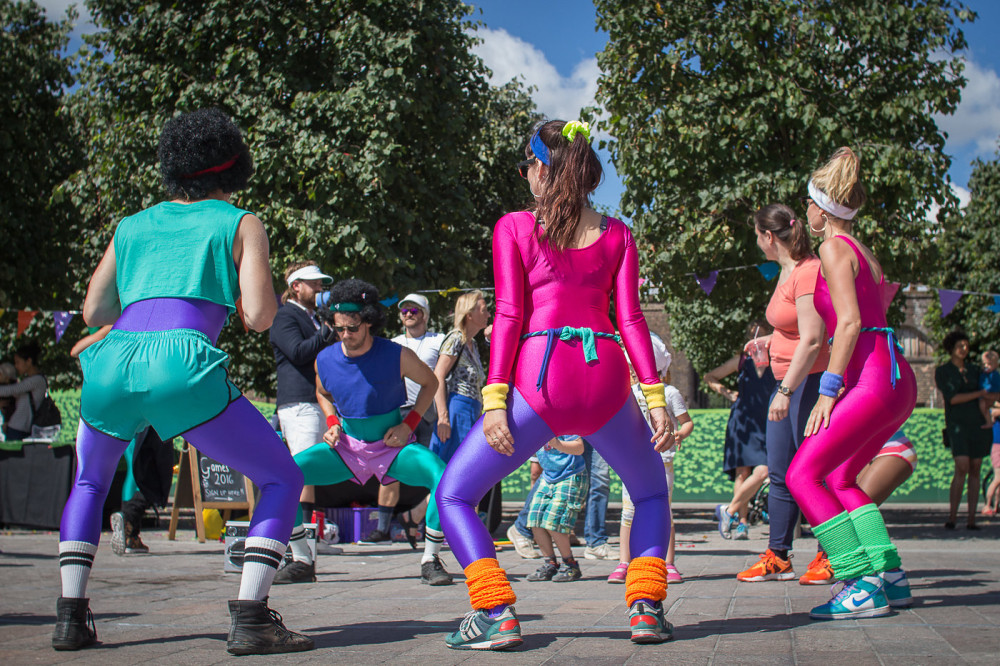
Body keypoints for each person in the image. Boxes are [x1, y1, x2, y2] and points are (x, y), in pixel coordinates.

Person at [55, 108, 312, 654]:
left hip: (110, 362)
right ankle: (251, 618)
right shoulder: (241, 221)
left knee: (89, 483)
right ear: (234, 164)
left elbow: (94, 308)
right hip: (181, 362)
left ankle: (70, 619)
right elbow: (263, 317)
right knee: (281, 479)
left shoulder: (132, 224)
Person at [436, 119, 675, 650]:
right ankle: (646, 610)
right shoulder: (617, 233)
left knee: (453, 494)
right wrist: (654, 398)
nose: (525, 174)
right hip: (606, 376)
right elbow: (632, 319)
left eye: (528, 163)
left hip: (540, 379)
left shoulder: (515, 226)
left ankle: (495, 612)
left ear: (542, 167)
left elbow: (510, 315)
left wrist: (494, 401)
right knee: (652, 491)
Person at [786, 146, 917, 620]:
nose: (805, 212)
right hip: (895, 379)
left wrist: (827, 390)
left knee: (803, 475)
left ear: (821, 209)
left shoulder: (833, 248)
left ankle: (860, 583)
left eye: (808, 204)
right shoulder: (866, 252)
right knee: (841, 477)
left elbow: (849, 324)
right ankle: (890, 575)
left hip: (874, 379)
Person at [283, 279, 453, 586]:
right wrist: (332, 422)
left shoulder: (396, 354)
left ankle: (431, 558)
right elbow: (322, 393)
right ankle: (301, 560)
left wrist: (409, 424)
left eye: (353, 328)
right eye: (339, 329)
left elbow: (431, 383)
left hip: (392, 446)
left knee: (443, 477)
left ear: (370, 321)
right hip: (347, 447)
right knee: (285, 475)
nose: (346, 335)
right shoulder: (326, 358)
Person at [735, 203, 829, 584]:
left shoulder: (808, 272)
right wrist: (769, 341)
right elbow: (796, 330)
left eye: (758, 237)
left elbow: (813, 339)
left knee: (812, 473)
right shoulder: (788, 272)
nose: (758, 244)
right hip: (784, 381)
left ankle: (830, 554)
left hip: (806, 382)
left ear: (769, 237)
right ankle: (778, 556)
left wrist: (786, 390)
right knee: (781, 474)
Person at [609, 335, 693, 585]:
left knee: (664, 511)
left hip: (663, 463)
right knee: (628, 513)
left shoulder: (670, 393)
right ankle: (625, 561)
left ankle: (668, 563)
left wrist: (679, 433)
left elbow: (687, 422)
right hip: (632, 464)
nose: (632, 370)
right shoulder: (627, 393)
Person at [803, 429, 918, 585]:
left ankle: (886, 574)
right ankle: (887, 575)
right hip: (870, 453)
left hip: (891, 449)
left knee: (852, 510)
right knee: (847, 506)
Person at [270, 260, 335, 525]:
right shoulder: (284, 315)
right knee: (304, 467)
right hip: (298, 403)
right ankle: (303, 536)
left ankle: (310, 532)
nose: (320, 288)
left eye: (321, 284)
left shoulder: (313, 317)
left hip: (316, 401)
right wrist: (327, 331)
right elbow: (297, 352)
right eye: (315, 284)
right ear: (296, 287)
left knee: (313, 468)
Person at [381, 293, 445, 545]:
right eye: (404, 310)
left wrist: (444, 414)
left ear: (426, 315)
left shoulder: (438, 340)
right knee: (390, 467)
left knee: (433, 467)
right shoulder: (392, 343)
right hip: (399, 410)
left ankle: (428, 525)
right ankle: (383, 527)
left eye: (414, 310)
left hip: (429, 411)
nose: (408, 314)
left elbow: (443, 378)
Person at [704, 321, 775, 540]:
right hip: (743, 419)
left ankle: (730, 511)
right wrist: (728, 393)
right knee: (742, 472)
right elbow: (710, 377)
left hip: (767, 420)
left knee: (763, 470)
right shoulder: (742, 360)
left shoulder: (778, 359)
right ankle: (742, 522)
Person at [935, 330, 997, 529]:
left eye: (966, 345)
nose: (964, 349)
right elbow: (952, 398)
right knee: (961, 466)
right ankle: (952, 516)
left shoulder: (975, 370)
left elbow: (990, 393)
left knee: (975, 468)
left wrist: (987, 395)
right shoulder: (943, 371)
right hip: (957, 425)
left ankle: (971, 518)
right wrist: (979, 394)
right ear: (951, 348)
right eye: (960, 345)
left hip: (978, 425)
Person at [429, 290, 490, 464]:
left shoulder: (473, 344)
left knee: (466, 467)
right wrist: (443, 417)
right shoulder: (456, 338)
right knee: (452, 469)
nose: (488, 314)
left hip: (471, 410)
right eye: (484, 309)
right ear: (469, 313)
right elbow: (438, 376)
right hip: (457, 409)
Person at [525, 436, 588, 583]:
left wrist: (557, 443)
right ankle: (550, 563)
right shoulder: (536, 426)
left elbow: (579, 447)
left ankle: (570, 564)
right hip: (548, 476)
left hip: (570, 475)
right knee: (534, 519)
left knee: (554, 520)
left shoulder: (563, 421)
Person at [0, 342, 49, 441]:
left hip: (19, 428)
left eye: (18, 362)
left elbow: (11, 390)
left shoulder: (36, 380)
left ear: (28, 361)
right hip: (18, 427)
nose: (16, 366)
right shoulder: (30, 380)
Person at [979, 351, 1000, 430]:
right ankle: (989, 420)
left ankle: (989, 421)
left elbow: (995, 387)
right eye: (984, 364)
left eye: (989, 364)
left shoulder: (994, 375)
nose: (986, 366)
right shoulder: (984, 375)